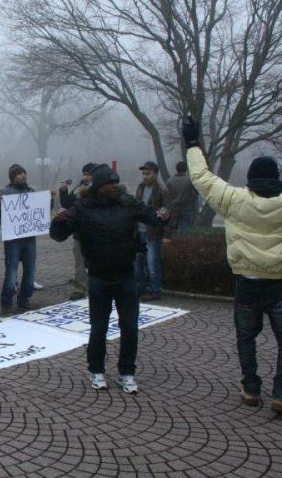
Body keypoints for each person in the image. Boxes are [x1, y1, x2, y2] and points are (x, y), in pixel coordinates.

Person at [182, 117, 282, 415]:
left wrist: (192, 144)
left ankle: (251, 389)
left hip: (246, 283)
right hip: (279, 283)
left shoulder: (232, 198)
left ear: (251, 179)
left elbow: (200, 176)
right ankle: (281, 393)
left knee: (246, 337)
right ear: (277, 179)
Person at [50, 164, 170, 394]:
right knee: (99, 328)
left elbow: (152, 217)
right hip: (98, 278)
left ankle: (127, 372)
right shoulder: (83, 207)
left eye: (116, 183)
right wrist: (58, 221)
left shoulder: (127, 203)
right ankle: (96, 370)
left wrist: (163, 215)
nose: (114, 186)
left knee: (130, 328)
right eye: (109, 184)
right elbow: (59, 236)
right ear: (98, 186)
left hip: (126, 276)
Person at [0, 164, 38, 313]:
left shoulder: (31, 192)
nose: (22, 175)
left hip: (29, 239)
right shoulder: (4, 192)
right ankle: (7, 301)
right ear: (12, 177)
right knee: (11, 272)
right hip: (13, 241)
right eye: (18, 173)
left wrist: (48, 200)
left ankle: (24, 299)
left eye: (24, 173)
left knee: (30, 272)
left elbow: (40, 212)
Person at [134, 161, 174, 300]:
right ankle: (139, 288)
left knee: (152, 263)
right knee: (137, 263)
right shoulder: (140, 187)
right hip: (139, 231)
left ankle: (154, 290)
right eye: (143, 173)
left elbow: (168, 212)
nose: (145, 176)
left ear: (155, 174)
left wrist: (168, 234)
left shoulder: (162, 190)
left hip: (154, 233)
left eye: (148, 173)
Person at [59, 162, 96, 299]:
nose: (86, 177)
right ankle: (80, 289)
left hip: (96, 232)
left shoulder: (100, 189)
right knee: (79, 262)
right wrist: (63, 191)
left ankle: (97, 287)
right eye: (85, 174)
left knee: (96, 262)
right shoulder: (79, 186)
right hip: (79, 233)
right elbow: (67, 204)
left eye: (89, 174)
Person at [166, 161, 197, 233]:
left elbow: (166, 195)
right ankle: (183, 243)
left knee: (173, 230)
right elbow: (197, 192)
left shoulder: (170, 181)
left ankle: (175, 243)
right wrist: (191, 199)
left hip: (173, 208)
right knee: (185, 230)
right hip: (186, 207)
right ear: (186, 169)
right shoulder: (189, 180)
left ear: (176, 169)